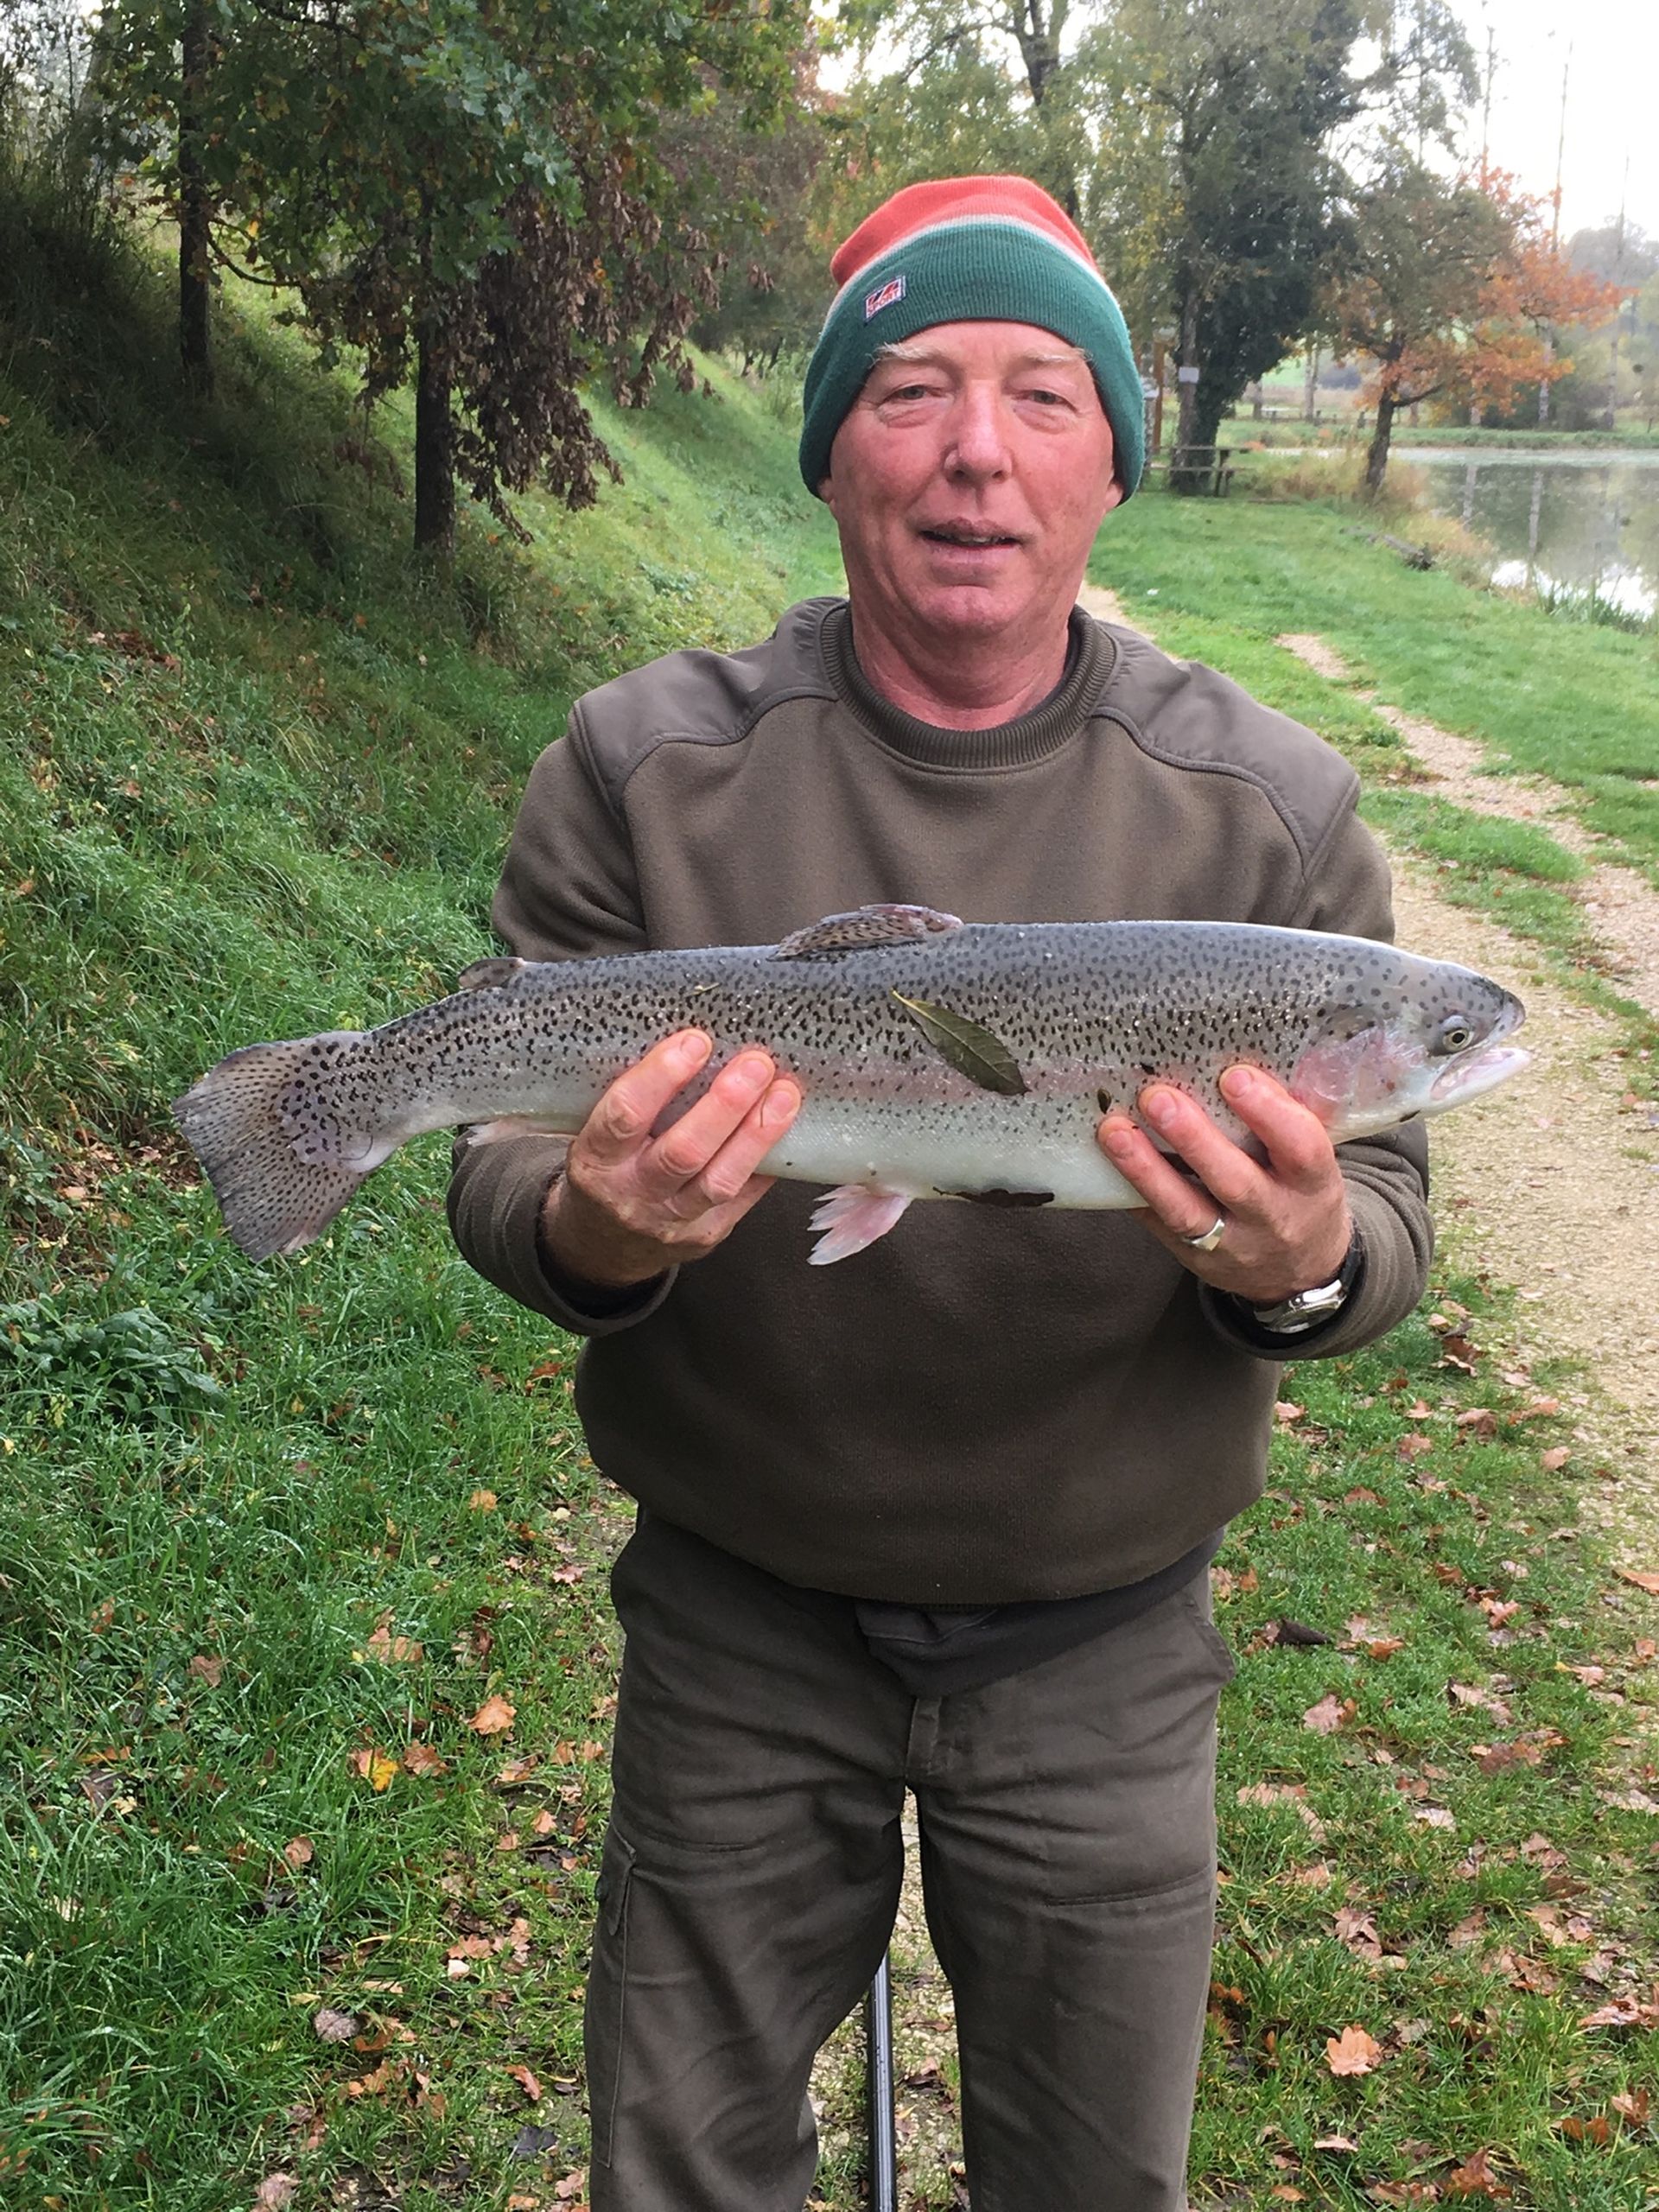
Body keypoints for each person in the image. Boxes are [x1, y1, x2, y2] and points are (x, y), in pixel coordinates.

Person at [448, 175, 1432, 2212]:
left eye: (1044, 394)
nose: (977, 447)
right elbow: (505, 1169)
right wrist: (596, 1231)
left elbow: (1388, 1229)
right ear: (829, 450)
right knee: (683, 2169)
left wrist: (1308, 1260)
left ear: (1111, 465)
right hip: (734, 1613)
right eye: (911, 387)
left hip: (1108, 1638)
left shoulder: (1274, 816)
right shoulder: (642, 763)